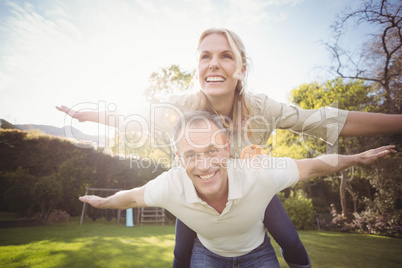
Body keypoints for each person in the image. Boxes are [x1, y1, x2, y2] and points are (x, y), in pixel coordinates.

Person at [57, 28, 402, 268]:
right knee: (181, 254)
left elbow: (327, 120)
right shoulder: (181, 106)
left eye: (225, 56)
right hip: (198, 196)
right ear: (197, 68)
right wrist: (87, 115)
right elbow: (134, 118)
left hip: (250, 193)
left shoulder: (262, 108)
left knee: (290, 239)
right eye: (205, 56)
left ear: (242, 68)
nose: (214, 64)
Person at [79, 110, 397, 267]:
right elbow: (130, 197)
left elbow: (314, 165)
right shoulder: (169, 186)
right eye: (191, 154)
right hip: (208, 253)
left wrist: (356, 158)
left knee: (290, 239)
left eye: (213, 151)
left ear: (228, 146)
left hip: (257, 252)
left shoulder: (258, 173)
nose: (204, 165)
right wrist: (102, 203)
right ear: (177, 158)